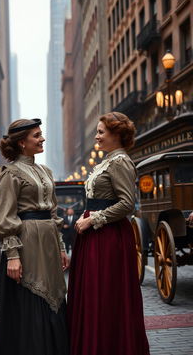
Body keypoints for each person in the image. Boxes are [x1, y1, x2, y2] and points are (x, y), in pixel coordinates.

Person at [68, 112, 150, 355]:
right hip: (95, 237)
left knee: (106, 296)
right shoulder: (107, 161)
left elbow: (127, 204)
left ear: (117, 135)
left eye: (101, 132)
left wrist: (94, 219)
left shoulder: (121, 162)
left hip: (109, 238)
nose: (96, 136)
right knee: (95, 295)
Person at [0, 118, 70, 355]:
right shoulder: (10, 173)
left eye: (41, 134)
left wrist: (61, 247)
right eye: (36, 135)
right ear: (22, 143)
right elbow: (5, 217)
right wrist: (13, 256)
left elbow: (54, 213)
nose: (42, 138)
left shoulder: (45, 171)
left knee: (54, 296)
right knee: (30, 297)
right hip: (26, 243)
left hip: (48, 241)